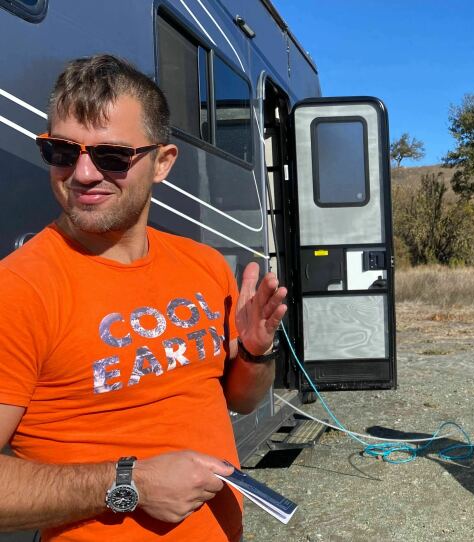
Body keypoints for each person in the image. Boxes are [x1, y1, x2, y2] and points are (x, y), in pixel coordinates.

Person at [0, 55, 287, 541]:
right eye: (63, 153)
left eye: (112, 156)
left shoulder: (203, 264)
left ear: (163, 163)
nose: (84, 174)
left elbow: (243, 398)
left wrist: (257, 352)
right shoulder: (19, 290)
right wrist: (129, 483)